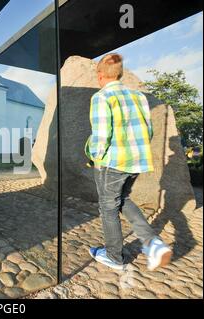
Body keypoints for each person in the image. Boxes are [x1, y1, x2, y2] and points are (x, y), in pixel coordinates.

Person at [85, 53, 172, 271]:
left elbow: (102, 134)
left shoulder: (101, 97)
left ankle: (114, 256)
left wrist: (95, 157)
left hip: (113, 163)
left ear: (100, 75)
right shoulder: (138, 97)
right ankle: (153, 245)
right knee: (121, 198)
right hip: (136, 161)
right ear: (120, 73)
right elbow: (148, 130)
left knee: (107, 207)